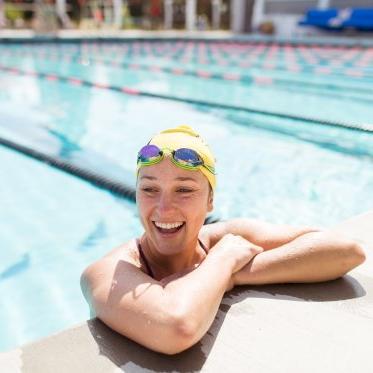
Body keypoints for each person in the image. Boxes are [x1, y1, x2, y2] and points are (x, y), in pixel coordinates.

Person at [81, 125, 366, 355]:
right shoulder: (107, 272)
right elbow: (176, 328)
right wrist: (223, 262)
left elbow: (346, 251)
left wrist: (232, 275)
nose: (164, 208)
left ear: (210, 202)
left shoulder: (224, 236)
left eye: (184, 190)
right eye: (150, 189)